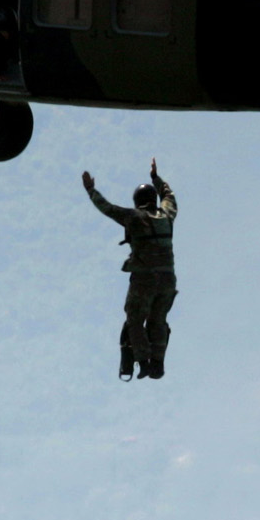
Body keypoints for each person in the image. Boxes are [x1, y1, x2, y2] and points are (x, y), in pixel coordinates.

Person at [82, 159, 177, 380]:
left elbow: (107, 208)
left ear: (137, 202)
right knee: (158, 320)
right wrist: (156, 178)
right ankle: (158, 364)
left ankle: (143, 362)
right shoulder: (166, 216)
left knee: (134, 319)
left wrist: (90, 190)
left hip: (144, 279)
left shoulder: (133, 218)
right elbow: (170, 197)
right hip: (167, 279)